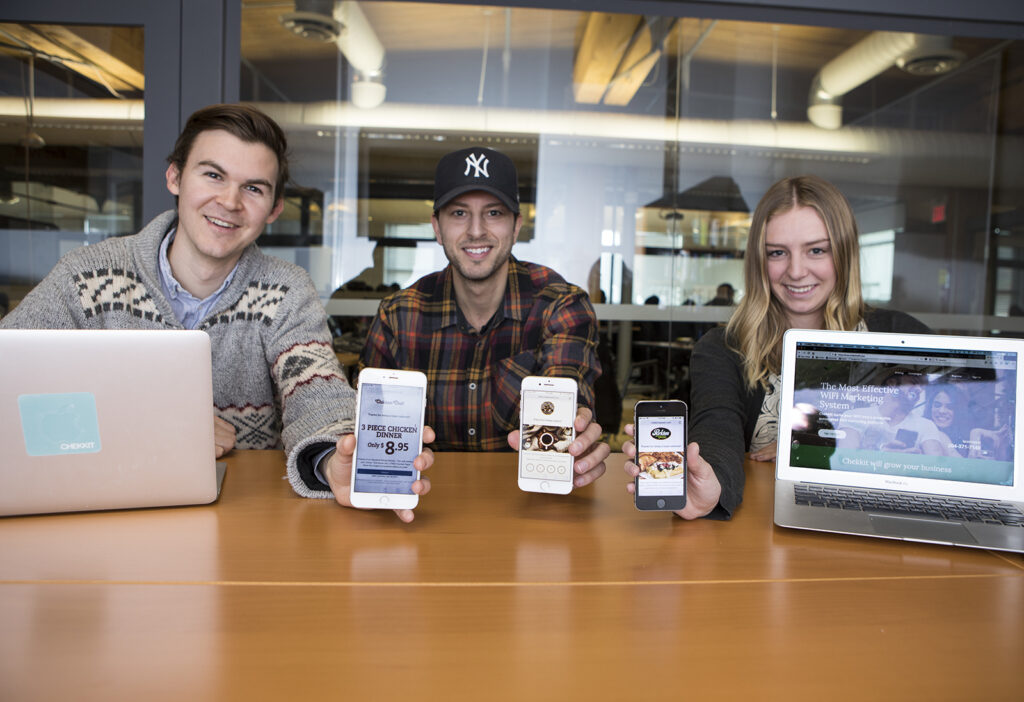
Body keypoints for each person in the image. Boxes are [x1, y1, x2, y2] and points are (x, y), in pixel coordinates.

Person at [0, 103, 433, 523]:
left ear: (275, 208)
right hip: (92, 507)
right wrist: (157, 422)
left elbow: (316, 390)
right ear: (175, 177)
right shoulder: (85, 274)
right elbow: (10, 380)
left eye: (254, 188)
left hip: (240, 519)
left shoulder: (286, 290)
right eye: (213, 175)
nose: (229, 201)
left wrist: (331, 459)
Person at [620, 175, 929, 519]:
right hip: (768, 532)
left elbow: (946, 440)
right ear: (758, 261)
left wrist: (808, 446)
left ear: (844, 252)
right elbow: (717, 428)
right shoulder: (723, 349)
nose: (796, 271)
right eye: (778, 253)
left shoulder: (902, 336)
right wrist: (711, 484)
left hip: (885, 522)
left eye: (817, 250)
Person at [354, 146, 610, 488]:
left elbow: (569, 394)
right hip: (425, 505)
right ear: (437, 227)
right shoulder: (398, 316)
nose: (476, 230)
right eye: (459, 213)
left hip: (531, 507)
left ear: (516, 226)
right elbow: (367, 434)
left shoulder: (560, 305)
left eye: (493, 213)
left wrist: (575, 436)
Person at [836, 369, 945, 455]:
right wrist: (883, 456)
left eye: (922, 387)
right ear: (892, 383)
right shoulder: (855, 415)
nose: (919, 390)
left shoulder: (926, 425)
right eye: (913, 383)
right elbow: (845, 457)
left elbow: (936, 463)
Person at [924, 383, 972, 457]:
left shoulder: (964, 436)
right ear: (930, 407)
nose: (942, 411)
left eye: (950, 407)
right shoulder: (923, 429)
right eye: (937, 405)